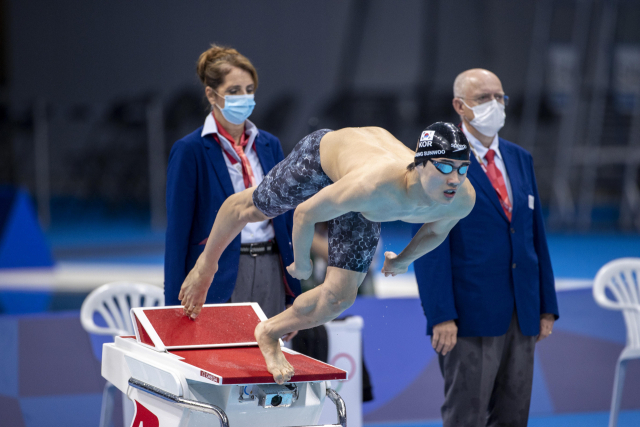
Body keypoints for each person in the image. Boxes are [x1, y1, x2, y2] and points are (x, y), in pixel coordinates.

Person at [180, 121, 476, 384]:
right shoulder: (373, 185)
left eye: (463, 168)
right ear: (421, 163)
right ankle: (206, 265)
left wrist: (404, 260)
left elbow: (437, 230)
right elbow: (304, 214)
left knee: (339, 298)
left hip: (364, 203)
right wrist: (303, 262)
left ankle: (268, 332)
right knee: (253, 208)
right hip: (324, 160)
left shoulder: (462, 197)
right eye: (445, 167)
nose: (455, 178)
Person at [412, 69, 559, 427]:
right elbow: (428, 245)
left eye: (500, 97)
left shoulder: (519, 157)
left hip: (521, 312)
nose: (495, 105)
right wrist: (441, 315)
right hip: (469, 315)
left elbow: (533, 233)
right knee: (468, 415)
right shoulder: (438, 162)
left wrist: (546, 306)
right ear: (459, 106)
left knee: (513, 415)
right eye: (484, 98)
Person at [164, 45, 301, 323]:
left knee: (269, 360)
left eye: (249, 90)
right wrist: (171, 308)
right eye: (235, 91)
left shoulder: (269, 144)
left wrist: (293, 292)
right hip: (220, 271)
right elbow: (178, 233)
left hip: (270, 267)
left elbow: (285, 220)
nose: (245, 98)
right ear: (211, 94)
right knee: (223, 363)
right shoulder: (190, 150)